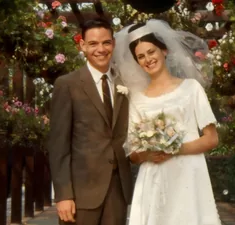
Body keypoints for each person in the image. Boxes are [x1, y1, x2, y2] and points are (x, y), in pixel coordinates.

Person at [112, 19, 221, 225]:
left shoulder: (191, 88)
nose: (148, 59)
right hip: (153, 178)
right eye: (141, 56)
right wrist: (148, 153)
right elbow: (133, 154)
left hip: (189, 174)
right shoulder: (136, 98)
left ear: (164, 51)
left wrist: (174, 149)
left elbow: (211, 139)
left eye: (151, 52)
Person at [48, 18, 133, 225]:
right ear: (82, 46)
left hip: (117, 190)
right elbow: (58, 146)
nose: (100, 49)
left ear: (113, 44)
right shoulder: (67, 84)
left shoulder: (126, 83)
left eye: (105, 43)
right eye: (93, 44)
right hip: (80, 194)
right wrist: (63, 195)